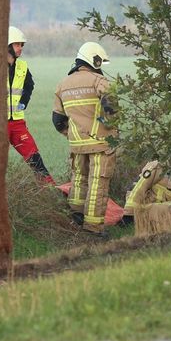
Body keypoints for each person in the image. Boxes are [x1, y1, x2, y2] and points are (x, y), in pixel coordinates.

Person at [53, 41, 118, 235]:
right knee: (98, 182)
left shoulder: (63, 84)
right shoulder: (100, 82)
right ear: (94, 60)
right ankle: (94, 228)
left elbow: (57, 120)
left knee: (79, 179)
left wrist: (71, 134)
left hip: (77, 145)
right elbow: (112, 111)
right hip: (101, 143)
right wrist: (109, 129)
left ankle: (76, 219)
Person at [6, 26, 56, 185]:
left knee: (34, 157)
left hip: (18, 123)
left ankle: (50, 190)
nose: (20, 48)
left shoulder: (22, 66)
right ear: (7, 45)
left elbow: (29, 86)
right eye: (17, 44)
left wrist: (23, 103)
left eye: (22, 45)